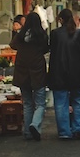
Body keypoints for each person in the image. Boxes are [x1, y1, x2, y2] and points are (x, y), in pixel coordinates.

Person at [48, 8, 80, 140]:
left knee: (61, 103)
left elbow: (53, 54)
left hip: (59, 74)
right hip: (78, 74)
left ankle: (64, 131)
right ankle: (79, 129)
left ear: (60, 20)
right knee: (79, 101)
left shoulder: (55, 34)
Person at [10, 12, 49, 141]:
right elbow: (45, 49)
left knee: (27, 103)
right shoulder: (41, 35)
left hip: (22, 72)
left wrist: (15, 32)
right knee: (40, 103)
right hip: (38, 71)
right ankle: (35, 124)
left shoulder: (21, 35)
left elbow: (12, 45)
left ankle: (27, 132)